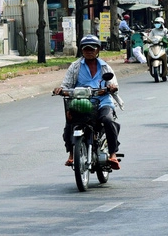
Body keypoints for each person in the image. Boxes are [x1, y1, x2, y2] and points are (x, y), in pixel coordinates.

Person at [52, 35, 121, 169]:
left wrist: (111, 87)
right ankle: (71, 154)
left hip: (102, 101)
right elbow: (66, 85)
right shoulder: (75, 66)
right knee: (70, 122)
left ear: (98, 50)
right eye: (86, 49)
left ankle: (113, 154)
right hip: (80, 101)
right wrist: (61, 90)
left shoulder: (105, 67)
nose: (89, 51)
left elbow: (113, 84)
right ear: (82, 50)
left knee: (107, 120)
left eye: (92, 49)